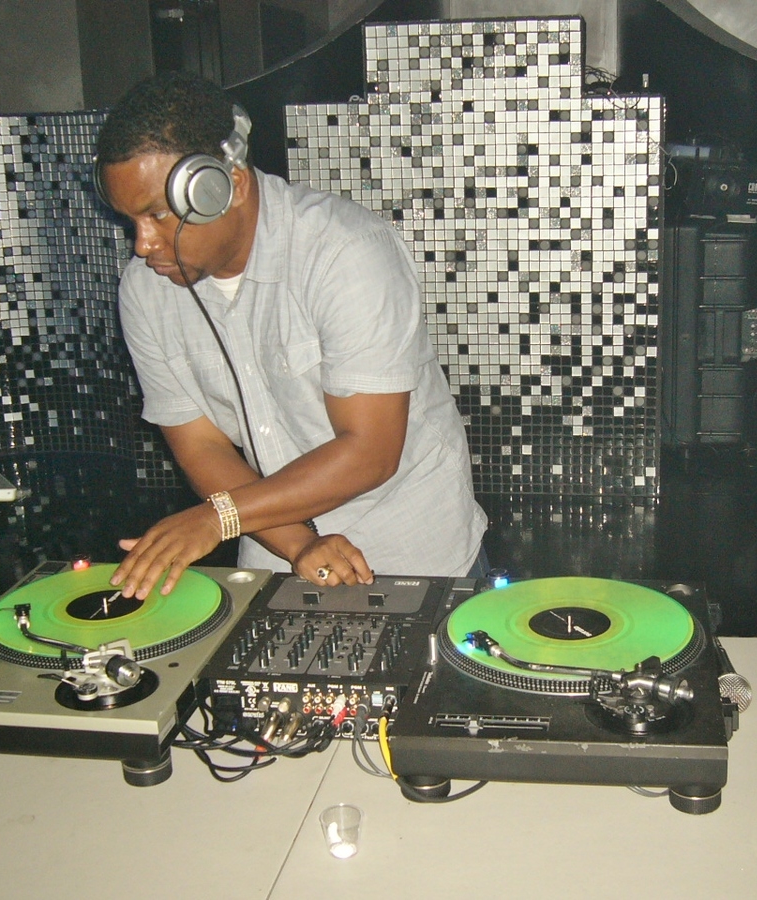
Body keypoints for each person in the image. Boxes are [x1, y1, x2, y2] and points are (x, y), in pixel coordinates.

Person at [93, 73, 487, 600]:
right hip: (274, 550)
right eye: (130, 222)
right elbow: (202, 444)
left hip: (418, 551)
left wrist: (217, 518)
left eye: (158, 216)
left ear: (228, 187)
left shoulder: (346, 252)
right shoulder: (145, 291)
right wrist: (300, 545)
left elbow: (369, 450)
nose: (142, 245)